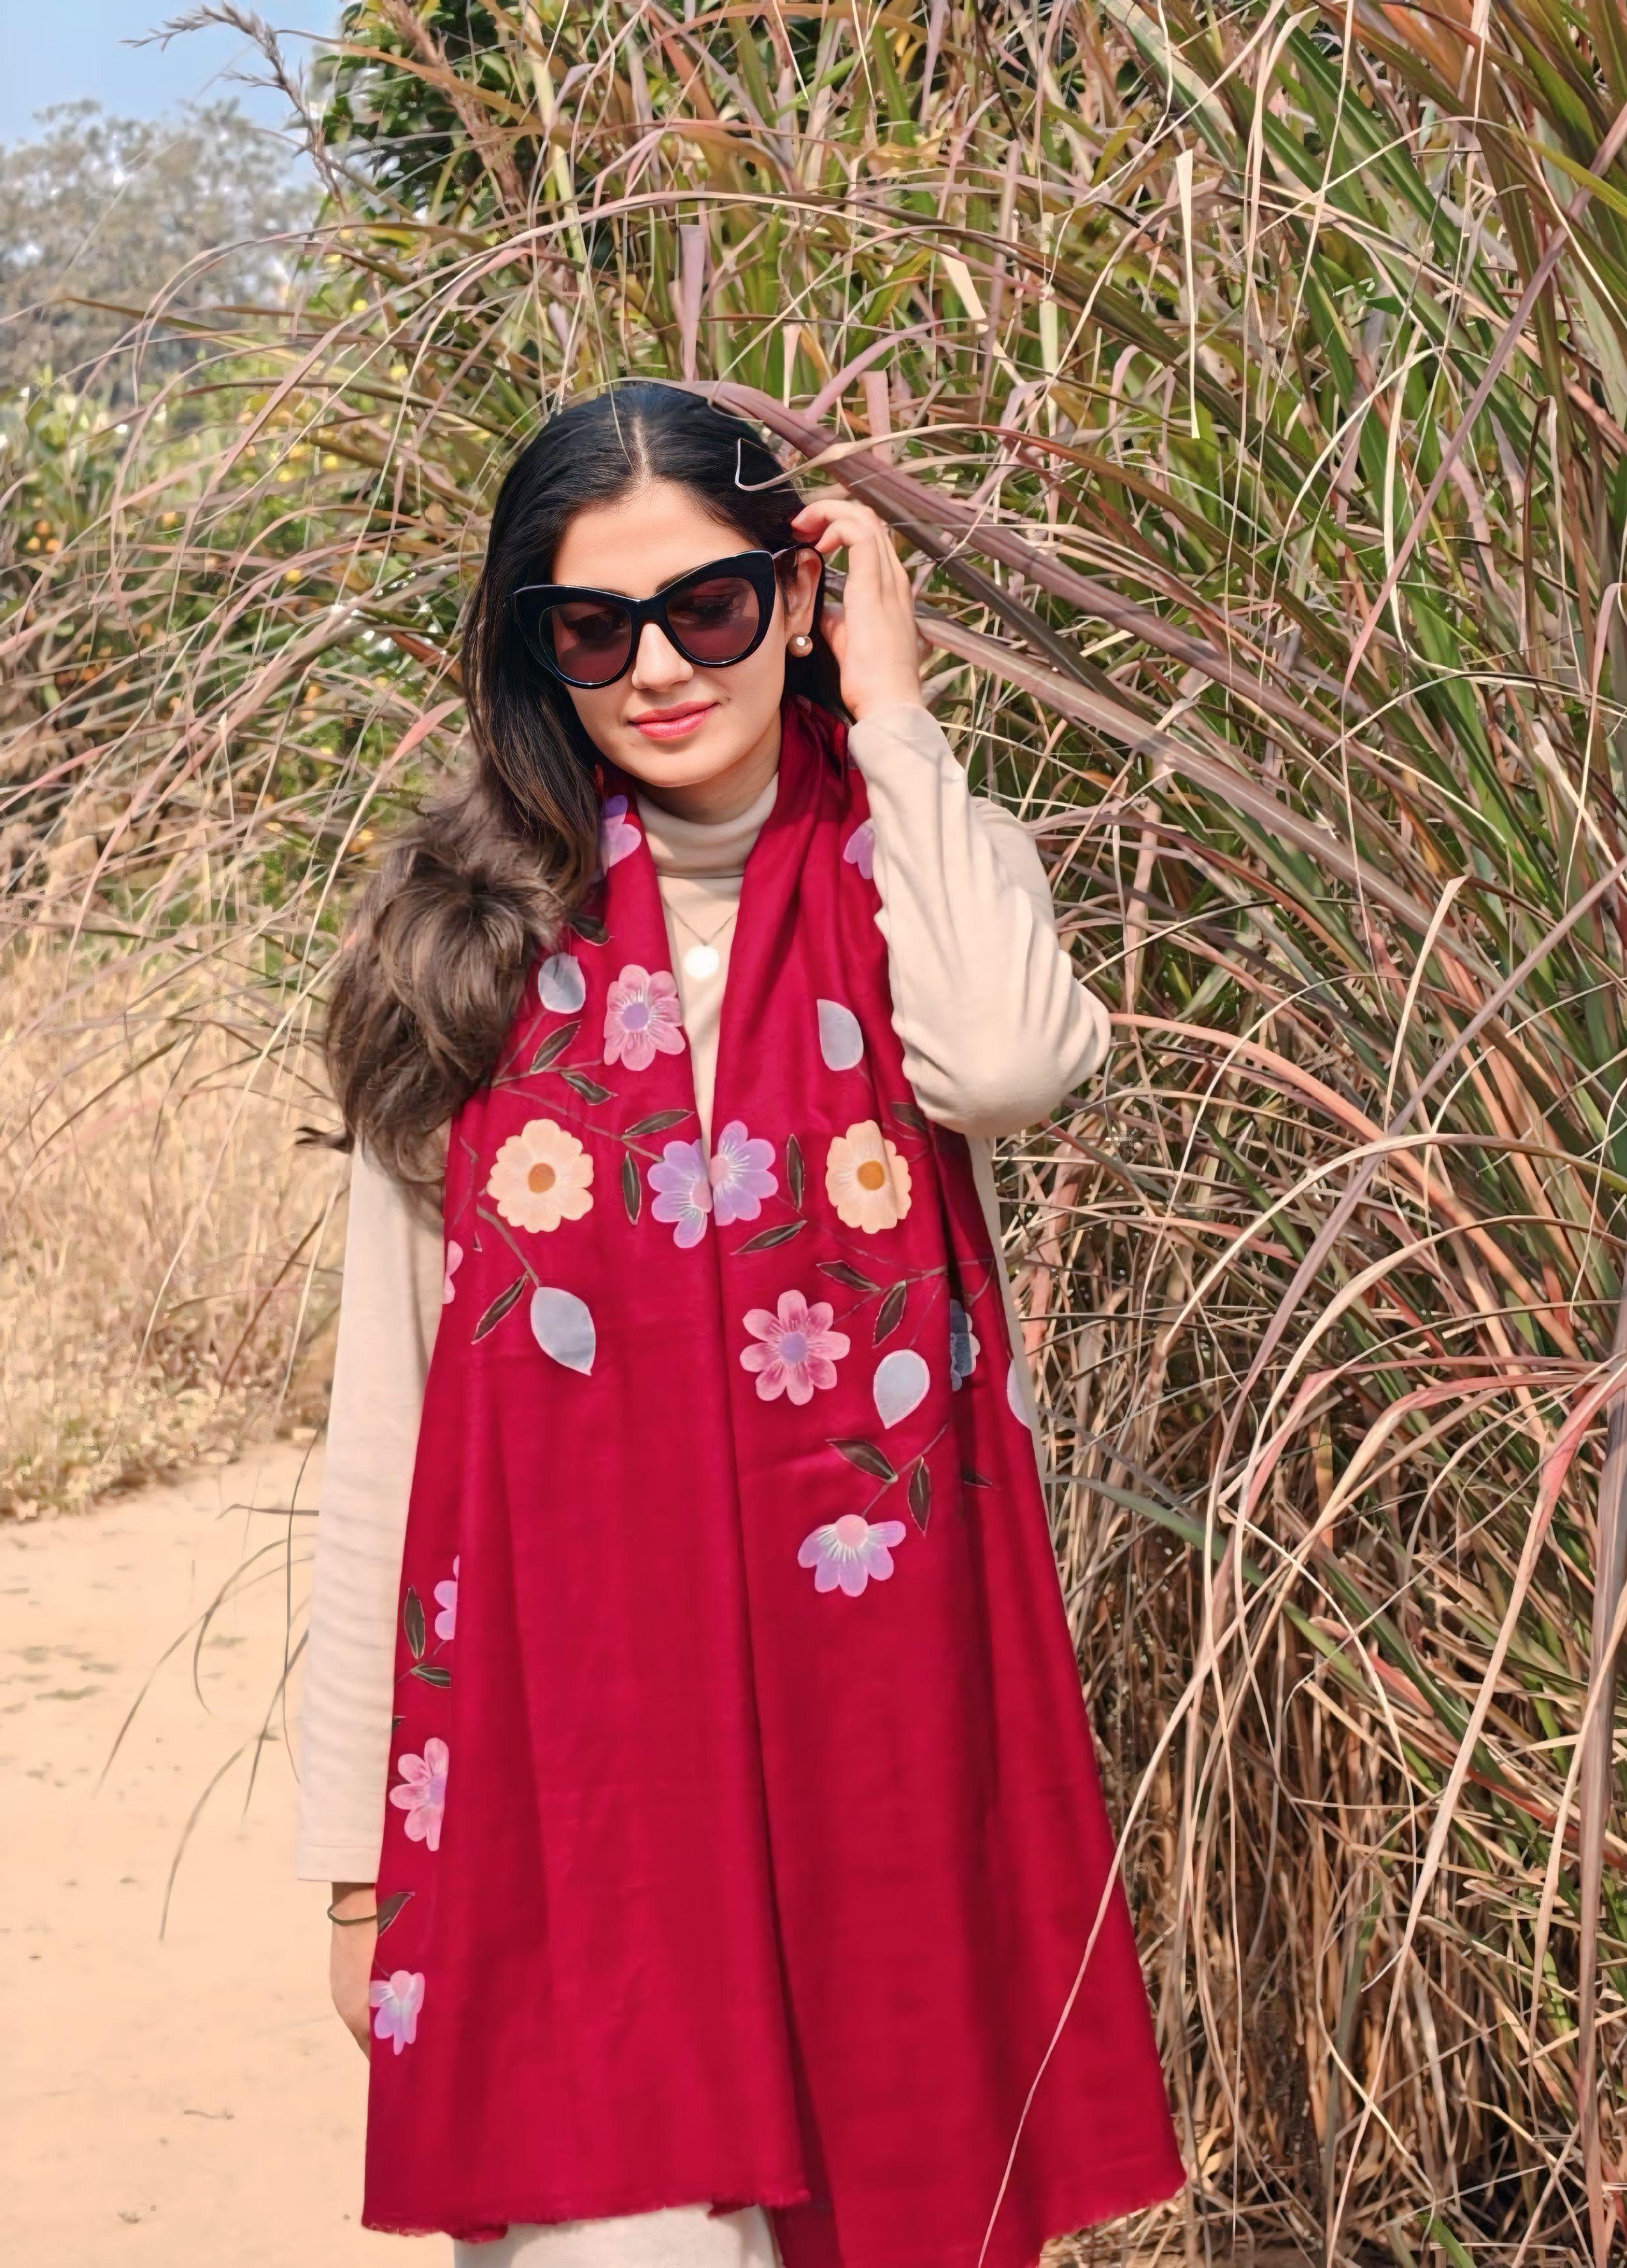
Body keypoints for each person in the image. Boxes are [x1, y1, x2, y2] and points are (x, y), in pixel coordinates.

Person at [295, 379, 1183, 2268]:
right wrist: (356, 1864)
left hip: (886, 1753)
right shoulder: (464, 939)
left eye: (705, 607)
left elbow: (1011, 1067)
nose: (656, 669)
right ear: (535, 650)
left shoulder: (922, 864)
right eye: (590, 628)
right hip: (568, 1767)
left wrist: (900, 717)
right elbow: (391, 1418)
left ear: (792, 594)